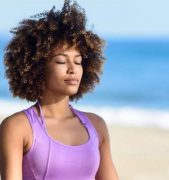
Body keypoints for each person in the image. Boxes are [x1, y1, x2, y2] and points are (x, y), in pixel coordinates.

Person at [0, 0, 119, 179]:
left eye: (78, 61)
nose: (73, 68)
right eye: (61, 61)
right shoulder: (17, 127)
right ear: (38, 67)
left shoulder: (97, 126)